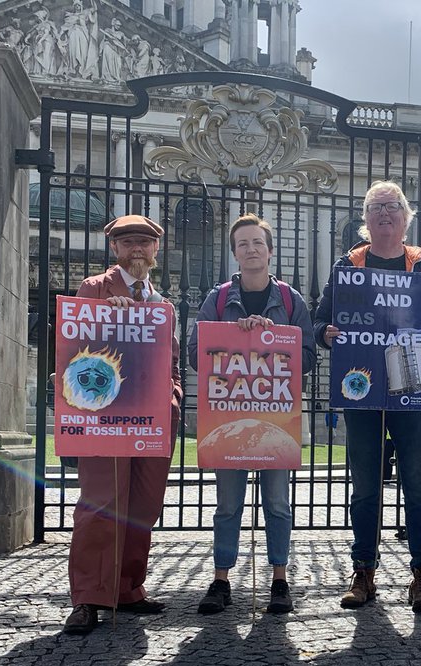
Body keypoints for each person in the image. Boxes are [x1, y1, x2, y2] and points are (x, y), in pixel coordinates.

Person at [313, 180, 421, 612]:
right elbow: (321, 321)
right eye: (376, 207)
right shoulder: (349, 264)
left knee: (418, 486)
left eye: (392, 207)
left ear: (406, 217)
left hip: (411, 389)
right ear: (365, 218)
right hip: (362, 392)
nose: (384, 214)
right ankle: (363, 572)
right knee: (365, 488)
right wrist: (327, 332)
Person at [187, 214, 315, 615]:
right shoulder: (218, 300)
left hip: (277, 419)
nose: (251, 249)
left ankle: (279, 580)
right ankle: (221, 580)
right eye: (243, 244)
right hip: (227, 419)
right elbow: (194, 353)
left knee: (277, 503)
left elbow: (308, 357)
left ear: (270, 250)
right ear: (235, 253)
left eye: (258, 242)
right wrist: (233, 337)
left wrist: (273, 337)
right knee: (228, 505)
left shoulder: (291, 301)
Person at [64, 215, 182, 635]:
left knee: (143, 507)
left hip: (152, 419)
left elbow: (171, 363)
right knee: (101, 504)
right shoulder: (96, 289)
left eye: (144, 243)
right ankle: (90, 597)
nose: (137, 249)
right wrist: (101, 315)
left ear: (155, 252)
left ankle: (128, 588)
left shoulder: (163, 304)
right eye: (128, 242)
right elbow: (75, 345)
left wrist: (174, 398)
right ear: (114, 248)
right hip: (105, 417)